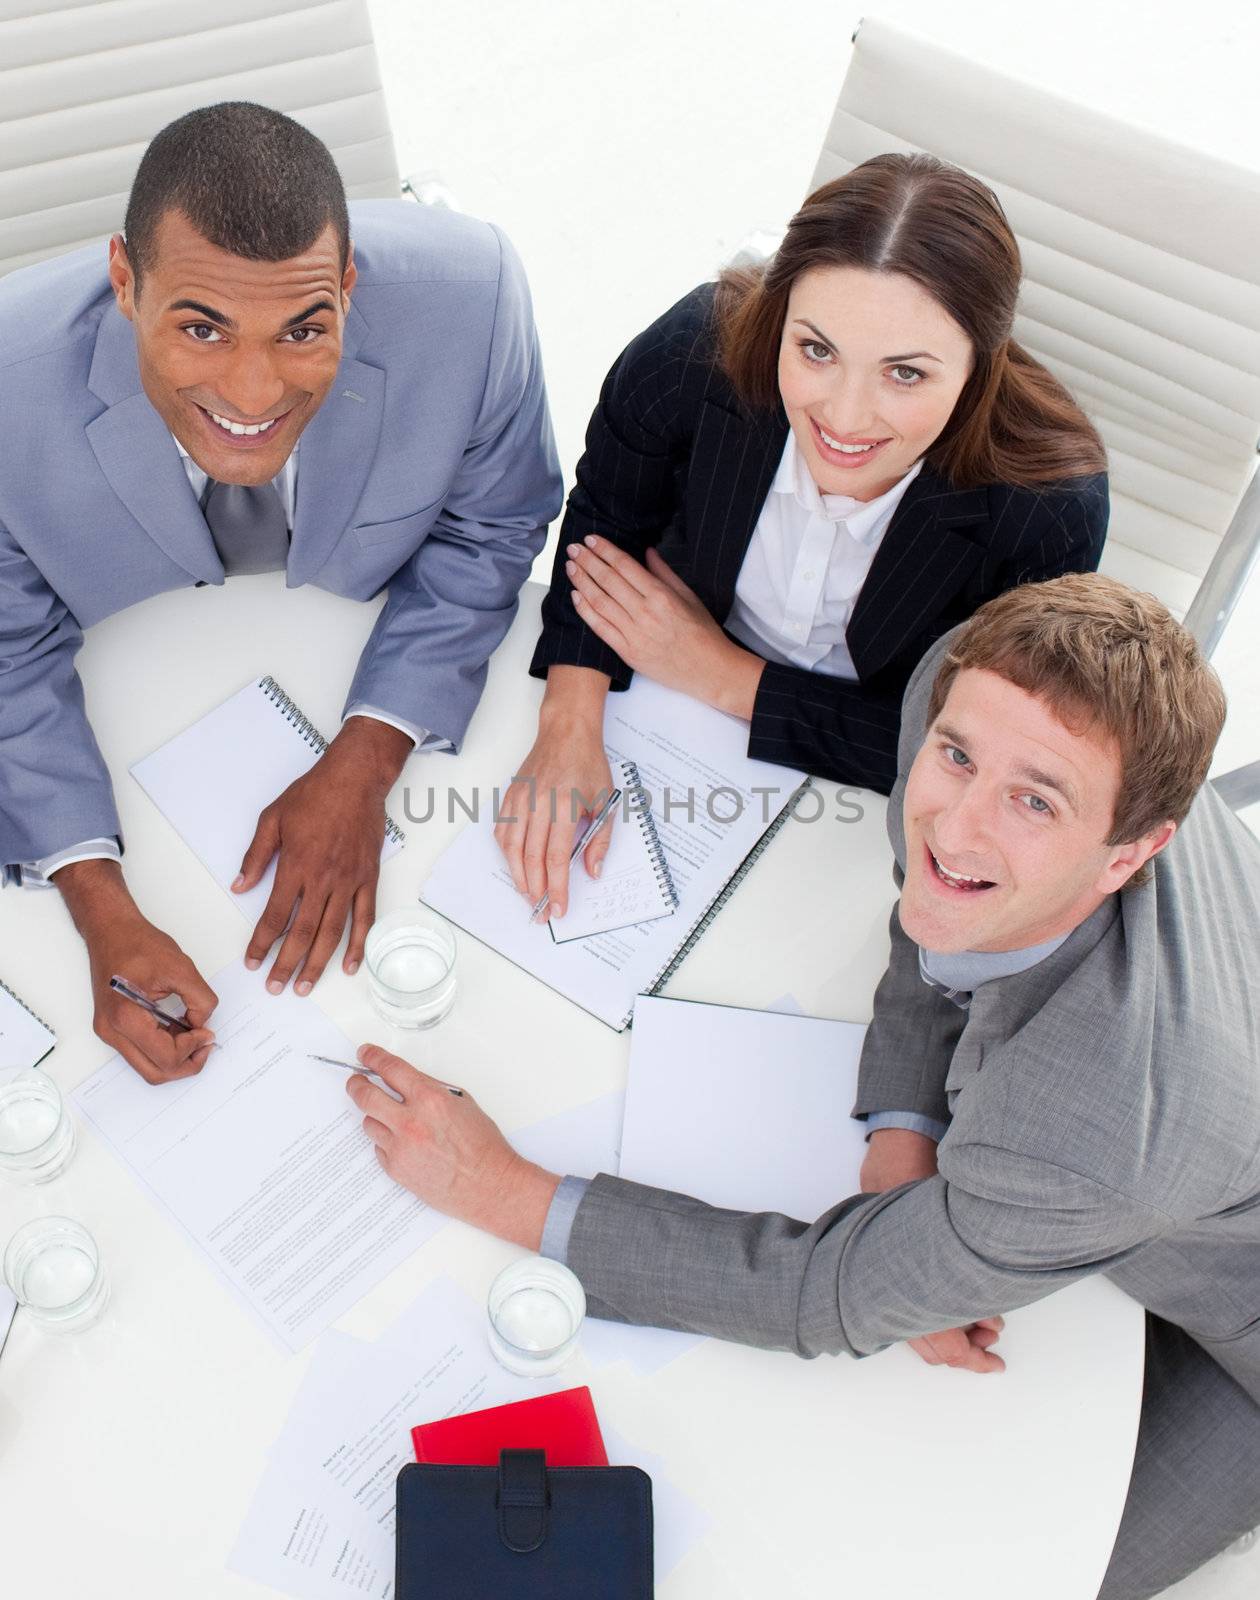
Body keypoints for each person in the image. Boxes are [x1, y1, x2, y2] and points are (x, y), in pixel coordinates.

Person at [347, 573, 1260, 1600]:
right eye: (955, 758)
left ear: (1131, 853)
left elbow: (825, 1293)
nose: (956, 822)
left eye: (1033, 802)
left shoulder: (1095, 1134)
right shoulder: (976, 676)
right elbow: (936, 904)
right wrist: (902, 1131)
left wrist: (501, 1188)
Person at [0, 102, 562, 1085]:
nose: (254, 391)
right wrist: (102, 908)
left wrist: (364, 761)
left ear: (349, 284)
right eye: (202, 328)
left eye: (305, 327)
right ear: (124, 284)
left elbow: (494, 528)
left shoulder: (473, 297)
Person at [495, 152, 1108, 922]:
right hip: (660, 707)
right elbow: (608, 524)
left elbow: (967, 750)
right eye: (815, 350)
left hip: (856, 806)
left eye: (906, 374)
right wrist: (569, 721)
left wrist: (720, 673)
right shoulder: (690, 359)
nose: (846, 418)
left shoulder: (1047, 509)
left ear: (979, 370)